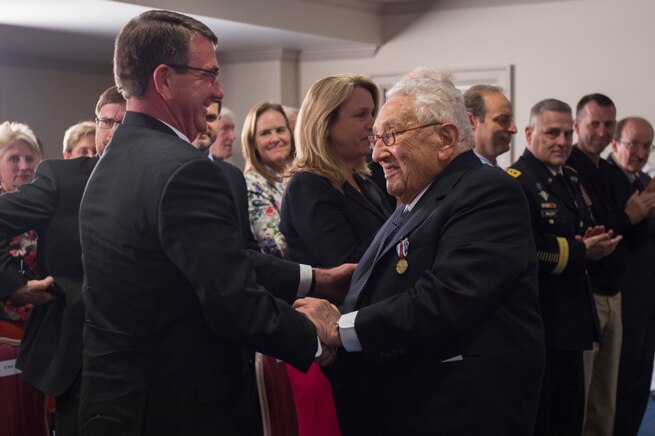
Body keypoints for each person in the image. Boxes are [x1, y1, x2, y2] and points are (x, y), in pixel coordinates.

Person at [77, 10, 335, 436]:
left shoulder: (112, 160)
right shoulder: (185, 171)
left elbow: (211, 263)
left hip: (116, 408)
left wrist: (316, 278)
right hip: (183, 412)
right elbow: (234, 303)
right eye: (208, 74)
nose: (218, 90)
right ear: (163, 79)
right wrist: (316, 334)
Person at [295, 70, 545, 435]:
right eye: (376, 136)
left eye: (390, 136)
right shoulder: (416, 194)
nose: (377, 151)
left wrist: (339, 328)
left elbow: (446, 299)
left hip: (455, 411)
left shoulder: (487, 192)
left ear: (445, 138)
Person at [0, 85, 126, 435]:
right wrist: (14, 284)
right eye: (106, 121)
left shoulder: (164, 178)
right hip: (80, 357)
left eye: (125, 122)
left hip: (151, 357)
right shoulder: (63, 179)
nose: (114, 131)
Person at [280, 74, 392, 436]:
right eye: (360, 115)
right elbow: (347, 266)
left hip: (370, 334)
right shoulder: (308, 185)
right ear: (325, 123)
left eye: (372, 113)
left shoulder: (368, 180)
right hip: (335, 344)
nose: (372, 124)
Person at [507, 99, 621, 435]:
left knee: (571, 417)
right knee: (544, 419)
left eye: (568, 134)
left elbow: (575, 229)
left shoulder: (569, 176)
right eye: (552, 132)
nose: (562, 141)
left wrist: (589, 239)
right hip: (543, 318)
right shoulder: (517, 180)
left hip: (574, 318)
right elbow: (528, 249)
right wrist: (581, 249)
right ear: (529, 133)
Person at [566, 94, 653, 436]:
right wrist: (630, 216)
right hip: (591, 295)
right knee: (588, 397)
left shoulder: (608, 172)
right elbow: (602, 230)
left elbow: (624, 231)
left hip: (620, 296)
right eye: (595, 124)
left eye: (608, 124)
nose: (602, 132)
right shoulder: (570, 169)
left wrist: (637, 216)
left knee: (612, 398)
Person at [608, 117, 655, 436]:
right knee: (617, 393)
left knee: (637, 388)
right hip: (620, 303)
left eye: (647, 145)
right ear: (614, 145)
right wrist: (630, 217)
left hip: (646, 303)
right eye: (632, 144)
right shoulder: (604, 180)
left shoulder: (642, 183)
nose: (640, 152)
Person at [0, 121, 42, 338]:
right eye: (14, 159)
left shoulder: (48, 209)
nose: (24, 167)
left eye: (29, 159)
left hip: (47, 329)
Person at [242, 102, 294, 257]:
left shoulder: (301, 174)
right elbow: (278, 247)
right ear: (252, 142)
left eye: (280, 130)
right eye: (265, 133)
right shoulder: (252, 184)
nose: (275, 138)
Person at [463, 84, 517, 168]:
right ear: (471, 121)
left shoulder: (499, 175)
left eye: (511, 120)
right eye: (502, 120)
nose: (513, 129)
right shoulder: (464, 177)